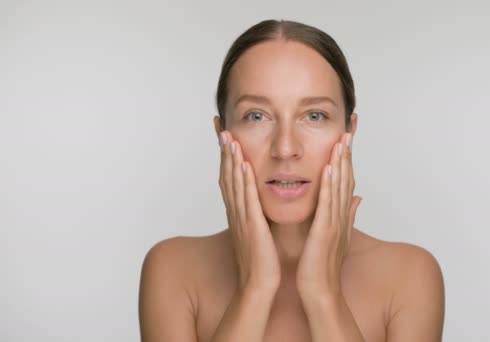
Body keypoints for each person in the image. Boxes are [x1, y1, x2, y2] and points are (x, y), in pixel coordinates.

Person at [138, 19, 445, 342]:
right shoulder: (173, 270)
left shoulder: (410, 277)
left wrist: (322, 293)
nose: (285, 148)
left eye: (315, 115)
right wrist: (255, 287)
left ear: (349, 131)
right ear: (222, 134)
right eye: (256, 116)